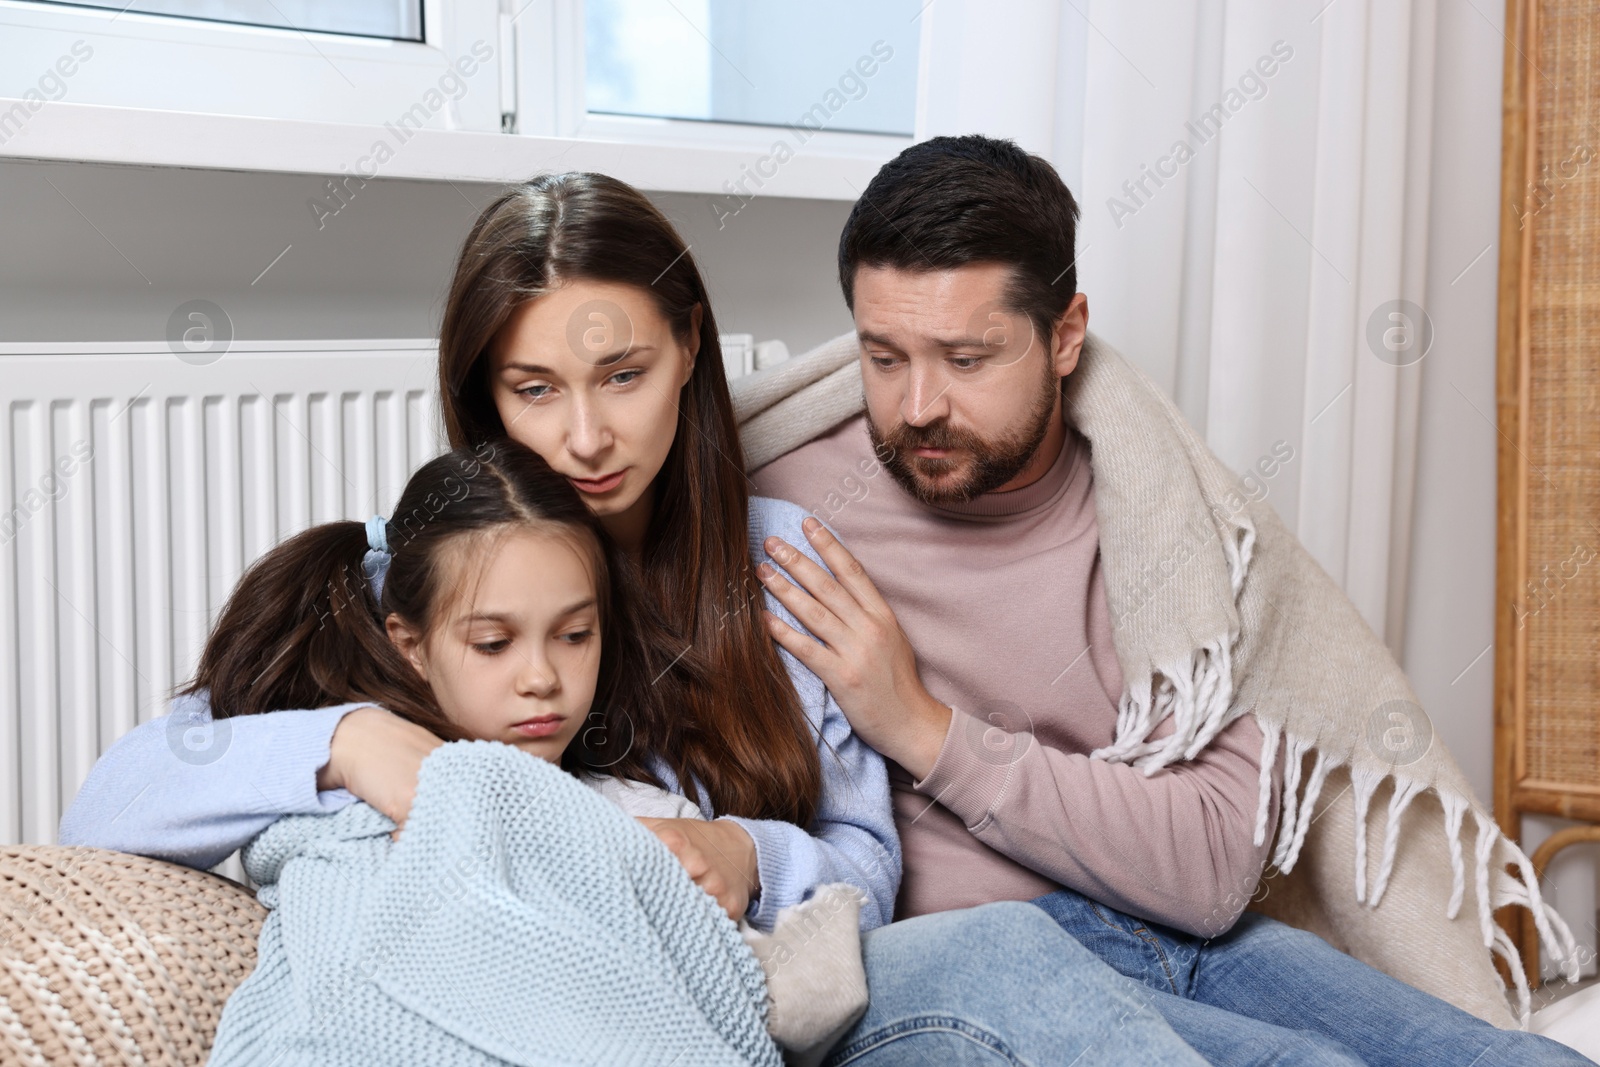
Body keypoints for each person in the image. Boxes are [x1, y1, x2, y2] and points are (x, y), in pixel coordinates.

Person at [60, 171, 1212, 1065]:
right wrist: (348, 739)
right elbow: (115, 794)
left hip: (787, 977)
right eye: (534, 389)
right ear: (480, 397)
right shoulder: (406, 576)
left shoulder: (779, 563)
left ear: (688, 353)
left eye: (623, 375)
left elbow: (869, 858)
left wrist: (743, 853)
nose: (587, 438)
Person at [749, 133, 1594, 1067]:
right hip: (977, 959)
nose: (917, 407)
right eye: (885, 356)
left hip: (1187, 938)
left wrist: (923, 728)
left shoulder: (1177, 532)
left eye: (966, 358)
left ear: (1065, 335)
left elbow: (1210, 868)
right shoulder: (782, 496)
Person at [198, 438, 868, 1061]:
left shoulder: (640, 811)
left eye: (575, 635)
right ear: (410, 644)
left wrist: (745, 862)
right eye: (494, 644)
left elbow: (780, 988)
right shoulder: (339, 774)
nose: (542, 677)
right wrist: (346, 745)